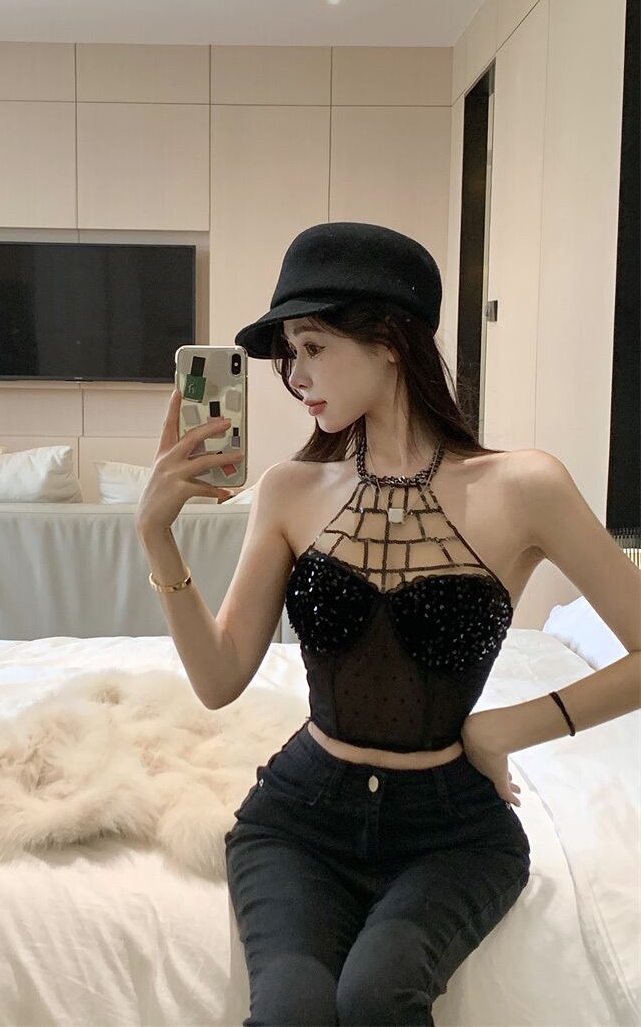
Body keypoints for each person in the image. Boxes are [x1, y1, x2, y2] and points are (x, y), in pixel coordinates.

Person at [135, 222, 640, 1026]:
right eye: (287, 355)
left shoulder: (525, 488)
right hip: (301, 818)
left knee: (377, 996)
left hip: (453, 830)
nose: (296, 376)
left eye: (312, 346)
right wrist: (157, 534)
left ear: (391, 341)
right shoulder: (291, 490)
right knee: (293, 1011)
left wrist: (505, 727)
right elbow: (219, 678)